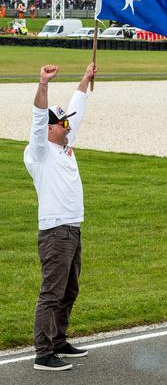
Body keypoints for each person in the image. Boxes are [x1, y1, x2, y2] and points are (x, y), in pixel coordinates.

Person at [24, 62, 97, 371]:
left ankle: (59, 340)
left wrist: (85, 79)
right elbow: (39, 116)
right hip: (56, 232)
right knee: (51, 293)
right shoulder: (39, 150)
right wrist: (44, 84)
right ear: (50, 129)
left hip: (72, 229)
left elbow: (77, 109)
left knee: (70, 290)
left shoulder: (66, 146)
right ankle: (43, 353)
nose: (68, 127)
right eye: (62, 124)